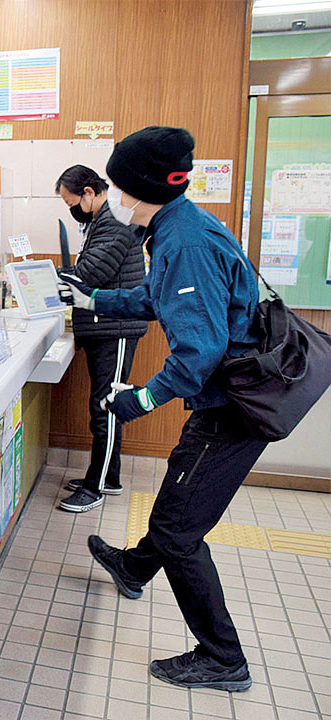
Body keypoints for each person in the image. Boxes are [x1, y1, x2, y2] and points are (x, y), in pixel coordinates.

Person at [59, 126, 266, 692]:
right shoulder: (179, 225)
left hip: (233, 411)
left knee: (178, 528)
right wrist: (94, 297)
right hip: (223, 402)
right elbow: (154, 296)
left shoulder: (184, 241)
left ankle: (225, 659)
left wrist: (137, 400)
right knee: (179, 503)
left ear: (142, 186)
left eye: (123, 187)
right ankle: (132, 567)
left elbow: (199, 353)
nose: (118, 197)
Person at [54, 165, 147, 513]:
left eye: (71, 201)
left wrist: (54, 278)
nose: (71, 209)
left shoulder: (114, 223)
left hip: (116, 327)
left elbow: (92, 273)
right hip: (106, 325)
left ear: (89, 193)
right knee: (105, 405)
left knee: (106, 407)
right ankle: (109, 476)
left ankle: (96, 487)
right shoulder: (101, 221)